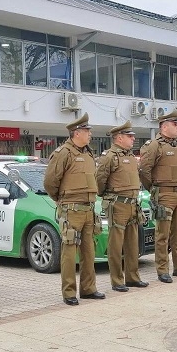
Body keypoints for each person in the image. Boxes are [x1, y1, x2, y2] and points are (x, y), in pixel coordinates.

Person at [43, 113, 105, 306]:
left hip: (88, 210)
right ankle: (69, 292)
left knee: (89, 251)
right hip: (71, 210)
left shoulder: (88, 153)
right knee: (69, 252)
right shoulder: (63, 153)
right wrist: (62, 201)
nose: (90, 134)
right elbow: (50, 183)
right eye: (87, 131)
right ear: (76, 133)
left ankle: (88, 288)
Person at [139, 110, 177, 283]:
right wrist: (154, 189)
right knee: (162, 234)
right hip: (164, 193)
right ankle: (162, 269)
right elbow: (144, 171)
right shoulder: (154, 145)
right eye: (175, 124)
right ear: (164, 127)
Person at [96, 121, 149, 292]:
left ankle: (132, 277)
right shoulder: (109, 156)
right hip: (117, 205)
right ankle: (117, 280)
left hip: (133, 205)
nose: (133, 138)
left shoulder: (131, 156)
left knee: (132, 244)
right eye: (129, 136)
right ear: (119, 138)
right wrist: (107, 196)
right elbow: (99, 181)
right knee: (116, 245)